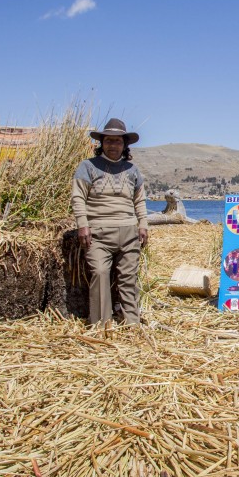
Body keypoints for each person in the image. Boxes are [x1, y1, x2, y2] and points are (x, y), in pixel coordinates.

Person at [71, 118, 149, 326]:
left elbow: (139, 200)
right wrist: (82, 224)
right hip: (98, 232)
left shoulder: (132, 170)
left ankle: (132, 323)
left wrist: (143, 224)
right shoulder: (88, 167)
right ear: (102, 143)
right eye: (109, 141)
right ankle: (100, 325)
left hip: (128, 232)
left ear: (124, 145)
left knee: (128, 278)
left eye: (117, 141)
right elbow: (78, 197)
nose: (113, 145)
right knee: (99, 272)